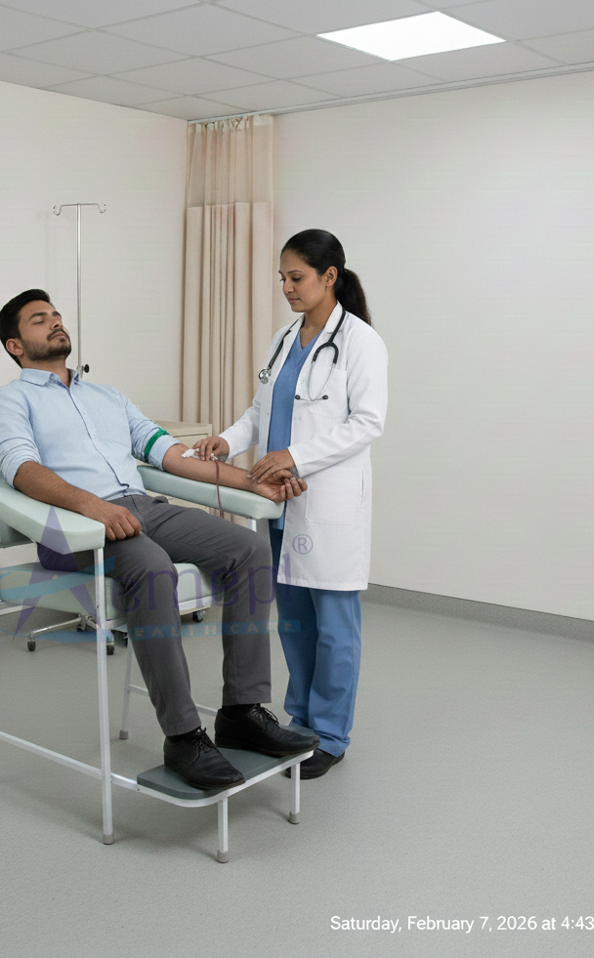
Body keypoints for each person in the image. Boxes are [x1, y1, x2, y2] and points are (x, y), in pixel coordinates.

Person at [0, 290, 319, 792]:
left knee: (248, 548)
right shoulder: (8, 401)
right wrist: (92, 507)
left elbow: (170, 455)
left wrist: (251, 481)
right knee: (151, 566)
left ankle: (242, 712)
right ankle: (183, 736)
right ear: (15, 345)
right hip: (72, 525)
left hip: (142, 510)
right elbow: (22, 470)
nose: (54, 324)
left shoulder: (107, 395)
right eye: (38, 320)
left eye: (55, 315)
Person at [194, 230, 388, 779]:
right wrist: (227, 442)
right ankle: (299, 723)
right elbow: (261, 411)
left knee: (334, 625)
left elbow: (368, 422)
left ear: (330, 277)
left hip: (326, 501)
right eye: (281, 277)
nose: (286, 287)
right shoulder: (285, 339)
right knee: (295, 622)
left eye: (295, 277)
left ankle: (330, 735)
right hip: (280, 500)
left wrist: (295, 456)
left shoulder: (360, 342)